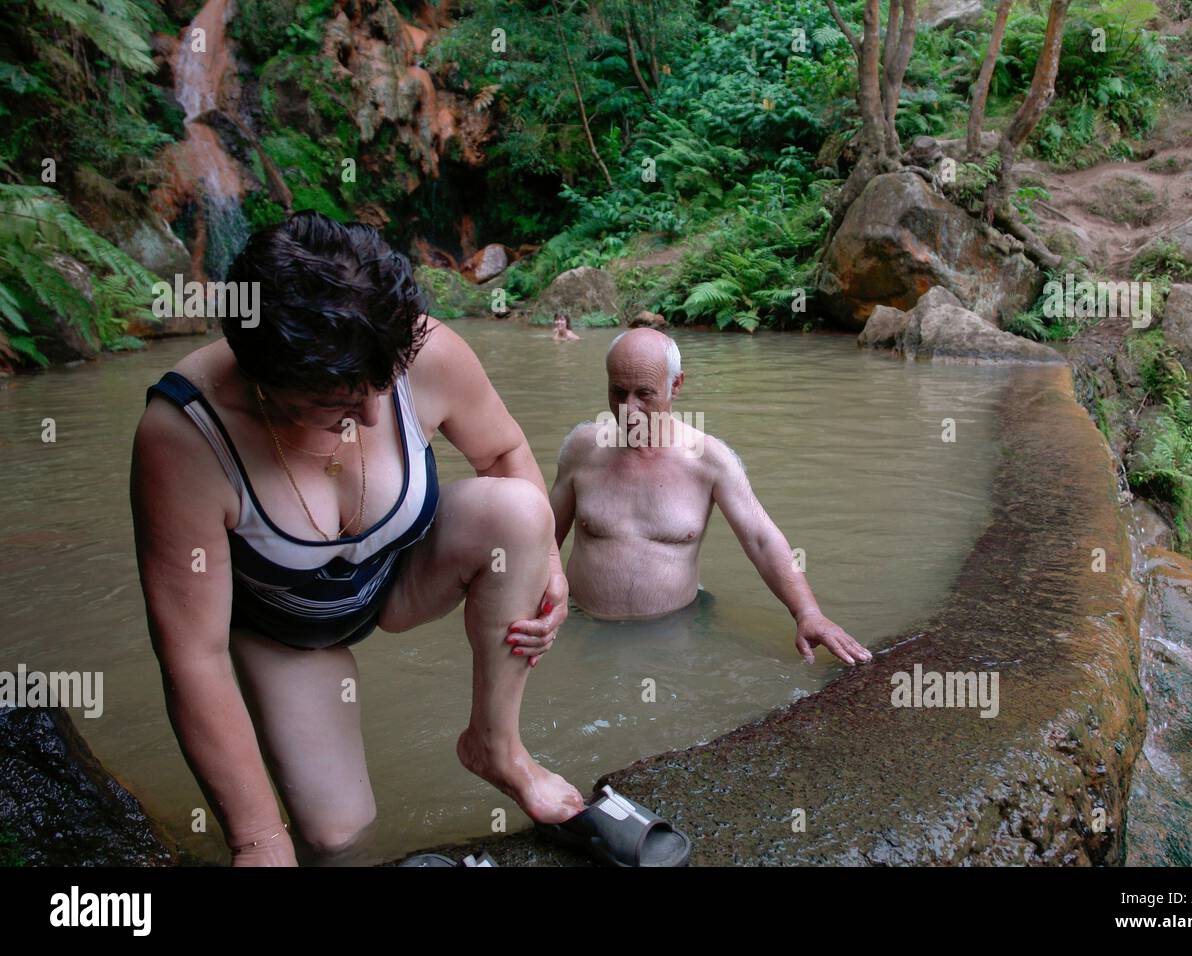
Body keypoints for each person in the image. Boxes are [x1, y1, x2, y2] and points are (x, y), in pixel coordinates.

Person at [129, 211, 583, 866]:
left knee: (519, 515)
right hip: (286, 632)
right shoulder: (184, 438)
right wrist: (257, 839)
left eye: (383, 385)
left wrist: (551, 570)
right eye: (338, 400)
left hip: (400, 581)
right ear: (266, 378)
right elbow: (192, 656)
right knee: (337, 839)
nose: (373, 414)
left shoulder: (416, 350)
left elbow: (506, 451)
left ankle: (497, 745)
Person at [549, 328, 873, 666]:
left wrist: (808, 613)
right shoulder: (582, 450)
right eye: (618, 392)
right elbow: (544, 539)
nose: (629, 409)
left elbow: (761, 539)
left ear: (676, 385)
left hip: (673, 633)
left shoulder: (708, 459)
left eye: (644, 394)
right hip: (581, 624)